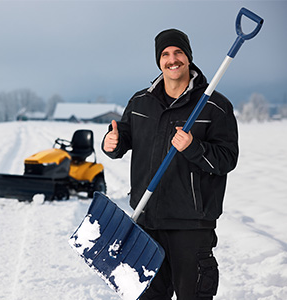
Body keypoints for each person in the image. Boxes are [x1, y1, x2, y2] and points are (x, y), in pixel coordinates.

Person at [102, 28, 238, 300]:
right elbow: (123, 137)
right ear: (158, 61)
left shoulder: (214, 106)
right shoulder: (141, 102)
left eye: (178, 52)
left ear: (188, 58)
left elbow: (226, 159)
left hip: (191, 225)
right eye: (165, 54)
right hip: (147, 220)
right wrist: (112, 143)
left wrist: (192, 147)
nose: (172, 59)